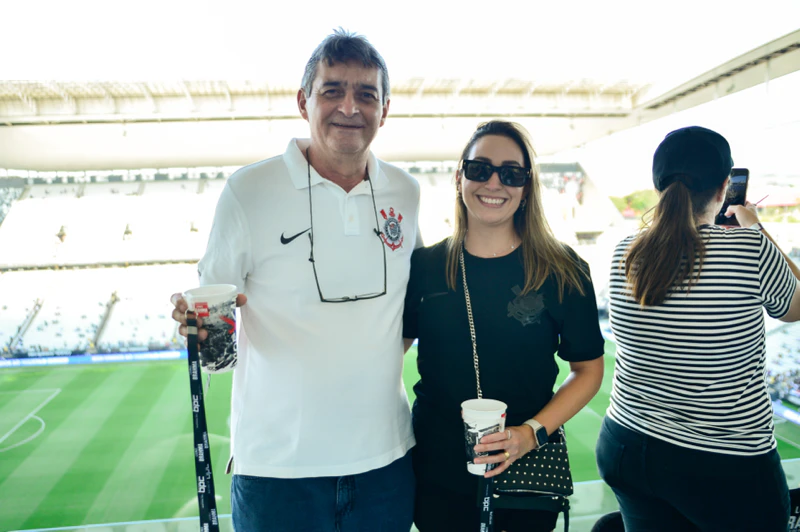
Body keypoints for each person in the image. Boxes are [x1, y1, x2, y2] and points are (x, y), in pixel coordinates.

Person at [169, 30, 421, 531]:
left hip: (386, 465)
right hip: (277, 473)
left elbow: (410, 308)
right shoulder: (248, 191)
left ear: (385, 110)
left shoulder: (406, 192)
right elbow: (212, 328)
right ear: (303, 101)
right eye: (332, 90)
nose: (349, 107)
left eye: (366, 94)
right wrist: (195, 328)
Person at [402, 120, 605, 532]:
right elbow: (385, 356)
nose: (494, 183)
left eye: (512, 173)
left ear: (527, 187)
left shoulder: (563, 269)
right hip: (437, 472)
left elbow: (588, 370)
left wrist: (531, 434)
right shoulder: (424, 267)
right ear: (459, 177)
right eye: (479, 169)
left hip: (527, 474)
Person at [596, 126, 800, 532]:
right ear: (725, 187)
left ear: (659, 186)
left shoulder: (624, 250)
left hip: (626, 444)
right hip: (726, 464)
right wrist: (756, 229)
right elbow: (795, 307)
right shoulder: (749, 247)